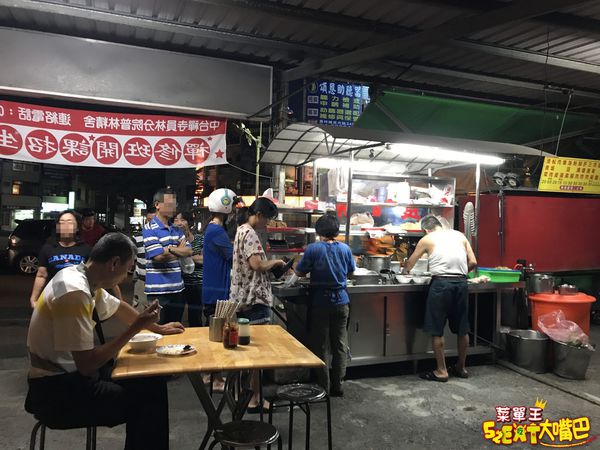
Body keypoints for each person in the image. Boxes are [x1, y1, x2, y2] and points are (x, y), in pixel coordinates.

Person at [25, 232, 185, 450]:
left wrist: (157, 328)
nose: (126, 277)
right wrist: (135, 329)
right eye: (128, 269)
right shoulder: (74, 291)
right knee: (148, 401)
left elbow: (118, 307)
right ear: (114, 263)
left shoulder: (80, 276)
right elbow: (87, 364)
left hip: (70, 378)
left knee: (152, 381)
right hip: (56, 392)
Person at [403, 215, 477, 382]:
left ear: (426, 229)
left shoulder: (427, 239)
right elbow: (473, 261)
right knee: (462, 329)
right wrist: (460, 273)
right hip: (461, 284)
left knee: (437, 329)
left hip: (441, 285)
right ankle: (461, 367)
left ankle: (441, 371)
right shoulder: (459, 235)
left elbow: (410, 264)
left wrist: (404, 270)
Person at [229, 197, 286, 412]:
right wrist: (276, 262)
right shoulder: (250, 233)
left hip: (243, 298)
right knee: (257, 353)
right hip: (254, 299)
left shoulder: (240, 230)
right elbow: (257, 264)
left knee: (245, 350)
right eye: (268, 219)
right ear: (259, 215)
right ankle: (255, 399)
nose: (268, 223)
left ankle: (241, 394)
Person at [295, 213, 355, 397]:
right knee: (340, 345)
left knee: (320, 345)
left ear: (318, 231)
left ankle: (324, 386)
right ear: (336, 231)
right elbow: (351, 272)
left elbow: (300, 272)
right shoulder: (345, 249)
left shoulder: (313, 249)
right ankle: (338, 385)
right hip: (341, 301)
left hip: (320, 302)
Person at [143, 188, 192, 324]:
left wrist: (169, 249)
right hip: (157, 291)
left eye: (174, 204)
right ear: (157, 205)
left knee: (175, 329)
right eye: (169, 204)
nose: (173, 207)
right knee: (158, 329)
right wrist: (178, 250)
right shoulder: (149, 228)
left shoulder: (177, 229)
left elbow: (189, 251)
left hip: (178, 289)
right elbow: (158, 257)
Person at [29, 210, 91, 309]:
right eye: (62, 223)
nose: (66, 226)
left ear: (77, 227)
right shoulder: (48, 248)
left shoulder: (86, 250)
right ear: (58, 227)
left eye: (70, 222)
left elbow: (93, 277)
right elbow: (41, 275)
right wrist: (34, 299)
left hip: (79, 302)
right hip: (52, 300)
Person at [202, 188, 237, 323]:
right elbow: (232, 257)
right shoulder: (217, 231)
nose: (235, 211)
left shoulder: (213, 228)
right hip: (217, 291)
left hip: (214, 290)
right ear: (225, 206)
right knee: (217, 330)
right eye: (233, 206)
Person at [174, 211, 204, 327]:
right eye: (176, 220)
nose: (179, 223)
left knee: (195, 318)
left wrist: (184, 255)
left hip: (197, 283)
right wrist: (195, 256)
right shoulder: (173, 241)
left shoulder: (200, 239)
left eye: (182, 220)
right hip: (179, 283)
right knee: (176, 317)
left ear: (189, 223)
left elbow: (204, 260)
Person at [132, 207, 156, 311]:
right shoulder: (137, 238)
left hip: (159, 284)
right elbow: (131, 258)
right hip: (142, 282)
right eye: (148, 220)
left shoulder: (166, 238)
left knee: (158, 314)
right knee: (139, 313)